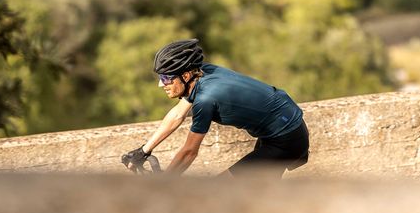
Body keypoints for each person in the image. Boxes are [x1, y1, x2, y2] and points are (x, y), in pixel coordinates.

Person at [122, 39, 309, 177]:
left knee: (219, 189)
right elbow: (178, 114)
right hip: (279, 130)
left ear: (186, 75)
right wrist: (144, 150)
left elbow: (189, 152)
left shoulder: (206, 99)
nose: (161, 85)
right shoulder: (202, 72)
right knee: (255, 193)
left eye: (166, 78)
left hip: (286, 139)